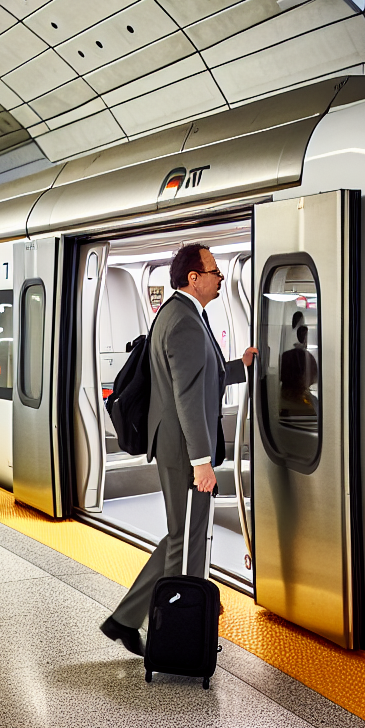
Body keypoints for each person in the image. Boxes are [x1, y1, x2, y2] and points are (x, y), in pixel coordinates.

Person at [100, 243, 256, 655]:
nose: (220, 277)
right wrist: (201, 463)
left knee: (181, 536)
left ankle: (125, 619)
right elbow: (187, 396)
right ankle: (172, 639)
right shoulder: (185, 321)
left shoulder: (180, 314)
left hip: (176, 445)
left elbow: (202, 376)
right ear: (194, 277)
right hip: (183, 450)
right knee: (186, 540)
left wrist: (241, 365)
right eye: (215, 271)